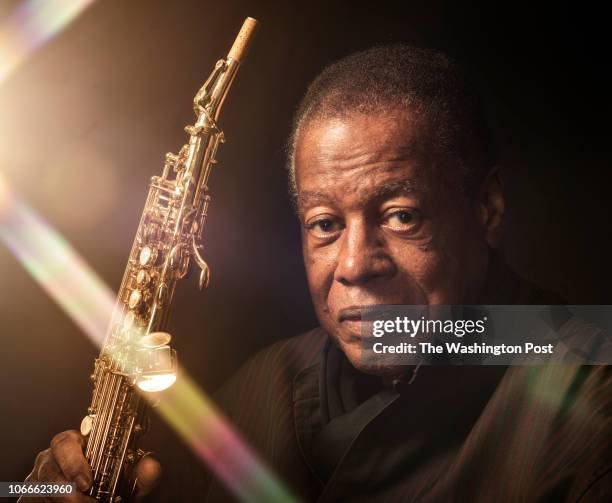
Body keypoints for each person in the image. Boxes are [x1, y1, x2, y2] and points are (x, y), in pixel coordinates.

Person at [22, 45, 612, 502]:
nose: (354, 266)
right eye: (325, 224)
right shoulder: (265, 386)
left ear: (486, 210)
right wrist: (40, 488)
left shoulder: (591, 394)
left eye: (401, 216)